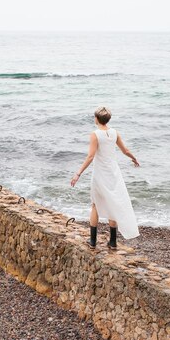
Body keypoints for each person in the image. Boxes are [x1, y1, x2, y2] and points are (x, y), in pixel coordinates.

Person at [70, 106, 140, 249]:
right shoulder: (114, 132)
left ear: (97, 119)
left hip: (101, 173)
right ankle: (113, 242)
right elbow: (125, 150)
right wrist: (134, 159)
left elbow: (90, 156)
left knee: (95, 204)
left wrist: (78, 173)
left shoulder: (95, 134)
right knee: (112, 203)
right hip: (114, 173)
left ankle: (93, 241)